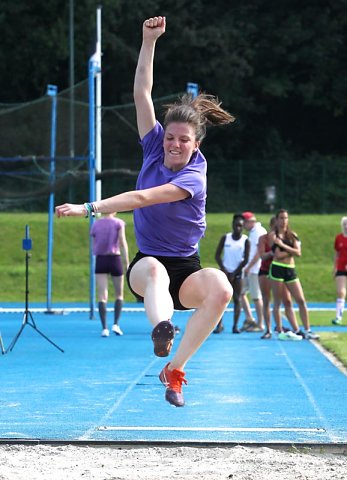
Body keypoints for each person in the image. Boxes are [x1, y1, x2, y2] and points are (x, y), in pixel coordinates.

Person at [55, 16, 235, 407]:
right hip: (146, 265)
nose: (173, 145)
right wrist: (148, 41)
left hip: (186, 268)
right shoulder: (153, 146)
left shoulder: (195, 177)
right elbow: (142, 92)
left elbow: (140, 200)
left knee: (222, 287)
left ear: (196, 144)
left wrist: (90, 207)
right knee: (153, 269)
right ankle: (163, 329)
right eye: (169, 137)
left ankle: (176, 370)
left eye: (182, 140)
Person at [268, 209, 319, 340]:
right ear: (277, 220)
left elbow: (299, 252)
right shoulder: (273, 236)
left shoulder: (292, 235)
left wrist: (284, 247)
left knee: (301, 300)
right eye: (281, 218)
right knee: (278, 301)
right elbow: (277, 255)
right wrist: (292, 251)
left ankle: (307, 329)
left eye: (285, 218)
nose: (283, 221)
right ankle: (279, 330)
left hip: (290, 269)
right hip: (277, 269)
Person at [258, 216, 302, 341]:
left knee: (287, 300)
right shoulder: (264, 238)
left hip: (281, 270)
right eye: (273, 227)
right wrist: (274, 253)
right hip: (266, 270)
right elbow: (262, 256)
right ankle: (268, 329)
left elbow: (293, 252)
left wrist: (285, 252)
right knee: (267, 299)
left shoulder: (285, 237)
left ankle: (294, 328)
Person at [90, 213, 129, 337]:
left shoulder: (96, 224)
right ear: (114, 211)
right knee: (119, 293)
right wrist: (126, 262)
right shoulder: (118, 223)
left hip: (101, 259)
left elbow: (93, 244)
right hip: (114, 259)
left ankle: (104, 328)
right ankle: (116, 324)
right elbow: (122, 242)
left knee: (102, 295)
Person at [214, 214, 250, 333]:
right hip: (225, 273)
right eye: (236, 225)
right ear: (232, 225)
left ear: (243, 226)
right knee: (221, 300)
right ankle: (219, 325)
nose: (238, 228)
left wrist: (235, 272)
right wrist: (223, 268)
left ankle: (235, 326)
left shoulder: (245, 240)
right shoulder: (226, 238)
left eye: (240, 226)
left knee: (237, 299)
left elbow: (245, 260)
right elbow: (217, 256)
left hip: (238, 274)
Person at [240, 211, 267, 332]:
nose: (243, 225)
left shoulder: (258, 232)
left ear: (249, 222)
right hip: (250, 268)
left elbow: (258, 253)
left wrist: (249, 267)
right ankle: (250, 318)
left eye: (244, 222)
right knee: (240, 293)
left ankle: (261, 323)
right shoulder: (253, 232)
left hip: (255, 269)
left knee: (256, 297)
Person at [332, 216, 347, 325]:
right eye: (344, 224)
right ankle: (338, 317)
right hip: (341, 267)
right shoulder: (339, 238)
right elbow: (336, 254)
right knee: (340, 292)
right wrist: (335, 267)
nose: (346, 226)